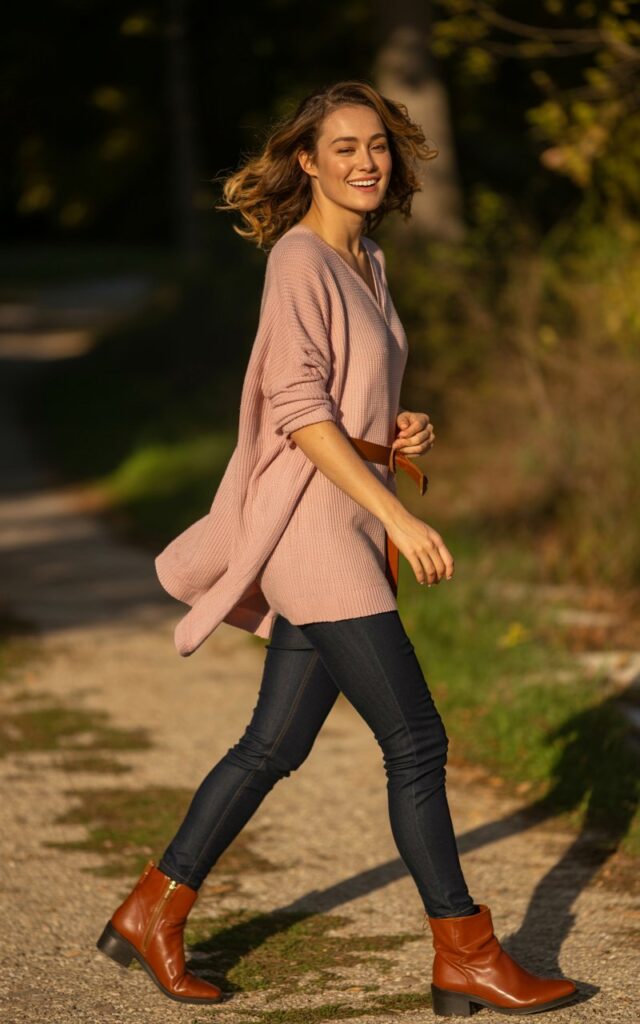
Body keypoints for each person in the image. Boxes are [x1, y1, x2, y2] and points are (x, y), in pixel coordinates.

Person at [96, 80, 579, 1015]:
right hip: (319, 530)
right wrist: (399, 516)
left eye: (379, 147)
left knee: (272, 744)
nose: (367, 161)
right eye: (344, 147)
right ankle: (466, 952)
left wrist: (393, 433)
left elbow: (340, 400)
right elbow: (297, 410)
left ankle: (152, 905)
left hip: (346, 507)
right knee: (417, 741)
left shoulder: (368, 261)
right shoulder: (300, 262)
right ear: (306, 161)